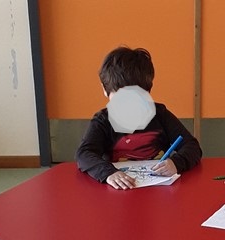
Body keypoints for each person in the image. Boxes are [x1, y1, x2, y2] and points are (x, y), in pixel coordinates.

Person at [75, 46, 202, 190]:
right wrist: (108, 173)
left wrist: (176, 163)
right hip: (118, 192)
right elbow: (84, 154)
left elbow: (192, 147)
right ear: (105, 89)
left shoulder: (160, 114)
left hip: (158, 189)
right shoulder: (103, 121)